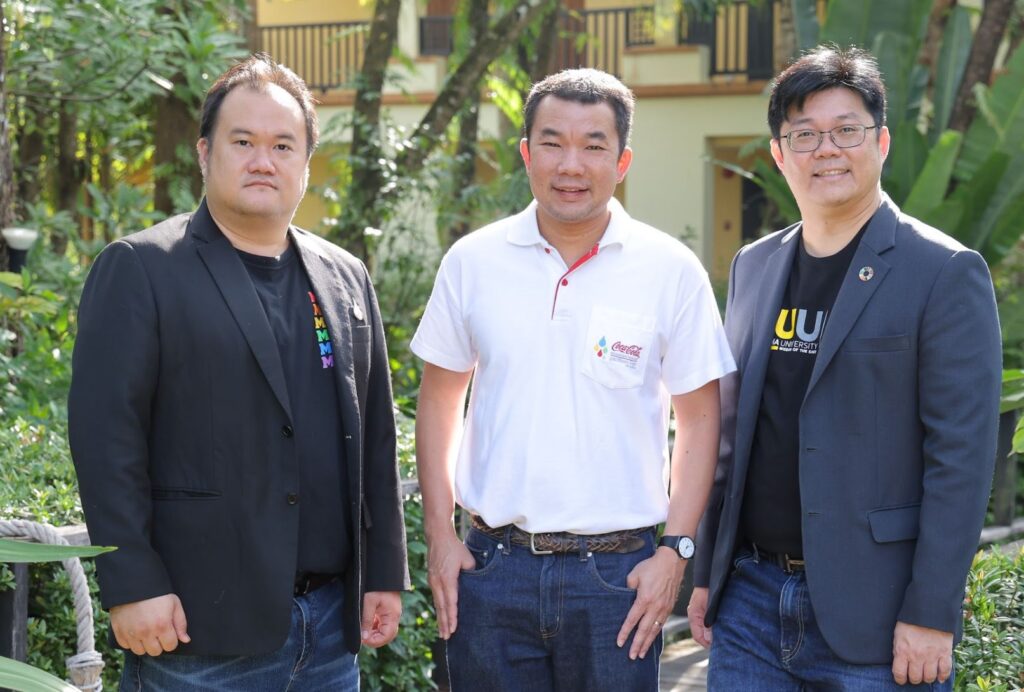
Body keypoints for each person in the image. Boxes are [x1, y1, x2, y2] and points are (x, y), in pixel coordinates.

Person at [68, 54, 409, 690]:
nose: (263, 161)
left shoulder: (345, 276)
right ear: (205, 153)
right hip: (196, 634)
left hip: (330, 631)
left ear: (306, 163)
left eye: (283, 145)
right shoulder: (141, 268)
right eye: (243, 141)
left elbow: (375, 438)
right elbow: (105, 440)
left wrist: (383, 571)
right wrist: (132, 583)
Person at [411, 68, 735, 691]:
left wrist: (676, 551)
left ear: (622, 161)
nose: (571, 165)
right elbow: (440, 401)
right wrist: (440, 536)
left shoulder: (669, 269)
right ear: (526, 153)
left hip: (618, 579)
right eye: (553, 143)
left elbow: (700, 419)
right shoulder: (472, 261)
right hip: (491, 568)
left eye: (593, 145)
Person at [688, 45, 1001, 690]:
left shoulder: (943, 271)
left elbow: (962, 459)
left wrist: (931, 611)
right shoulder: (753, 266)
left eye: (847, 131)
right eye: (803, 135)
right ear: (780, 155)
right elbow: (731, 433)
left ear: (881, 142)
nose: (826, 149)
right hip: (749, 602)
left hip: (878, 614)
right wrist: (705, 574)